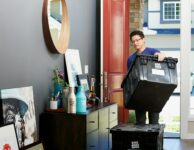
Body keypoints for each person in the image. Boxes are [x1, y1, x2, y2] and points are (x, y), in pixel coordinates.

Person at [127, 30, 165, 125]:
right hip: (139, 95)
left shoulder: (152, 51)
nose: (135, 43)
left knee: (154, 123)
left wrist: (160, 55)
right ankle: (142, 140)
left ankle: (153, 140)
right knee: (140, 123)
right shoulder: (130, 58)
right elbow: (130, 77)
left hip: (154, 94)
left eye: (137, 40)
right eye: (133, 41)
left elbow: (160, 55)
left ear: (143, 39)